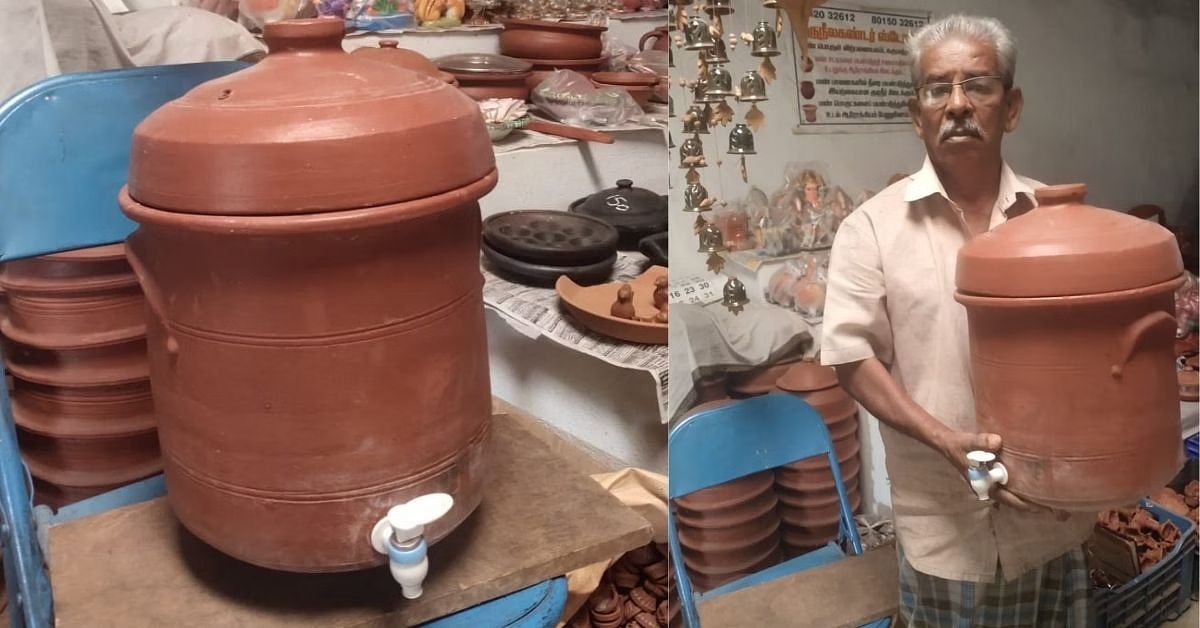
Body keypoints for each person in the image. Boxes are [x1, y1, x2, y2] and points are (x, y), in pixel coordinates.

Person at [820, 14, 1094, 627]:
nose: (959, 104)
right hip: (944, 528)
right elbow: (849, 358)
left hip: (1052, 517)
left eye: (980, 85)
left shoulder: (1058, 223)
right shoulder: (870, 229)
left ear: (1012, 106)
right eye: (937, 88)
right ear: (916, 113)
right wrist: (945, 439)